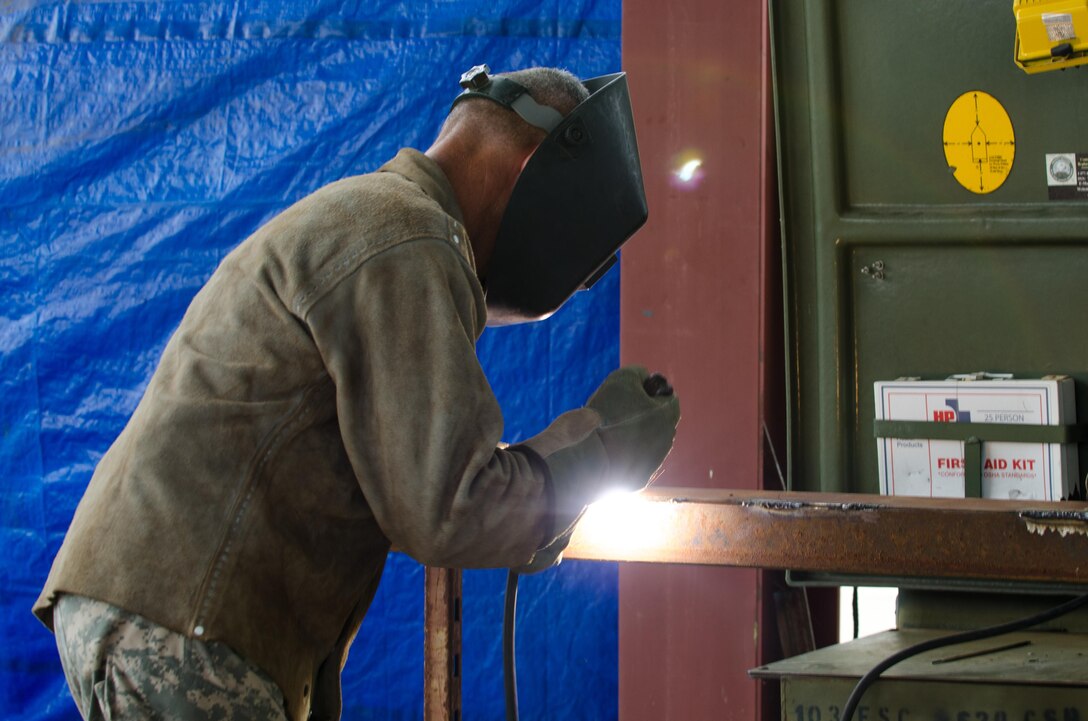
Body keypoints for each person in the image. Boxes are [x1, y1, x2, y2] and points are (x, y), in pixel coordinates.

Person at [34, 64, 681, 721]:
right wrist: (600, 446)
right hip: (183, 617)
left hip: (157, 606)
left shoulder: (379, 218)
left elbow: (409, 481)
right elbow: (450, 502)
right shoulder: (408, 238)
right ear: (530, 167)